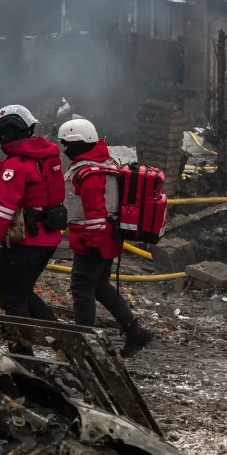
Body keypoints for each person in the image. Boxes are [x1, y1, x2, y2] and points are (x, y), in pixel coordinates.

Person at [57, 117, 155, 357]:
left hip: (93, 241)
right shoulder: (105, 163)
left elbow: (95, 213)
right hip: (107, 239)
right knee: (100, 287)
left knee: (82, 289)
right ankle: (135, 333)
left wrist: (90, 244)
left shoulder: (89, 172)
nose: (65, 150)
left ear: (78, 143)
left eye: (67, 145)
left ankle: (84, 345)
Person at [0, 104, 65, 319]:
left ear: (7, 133)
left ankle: (21, 350)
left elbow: (4, 211)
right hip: (48, 239)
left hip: (24, 243)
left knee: (12, 301)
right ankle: (63, 342)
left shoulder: (16, 165)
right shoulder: (48, 156)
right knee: (23, 293)